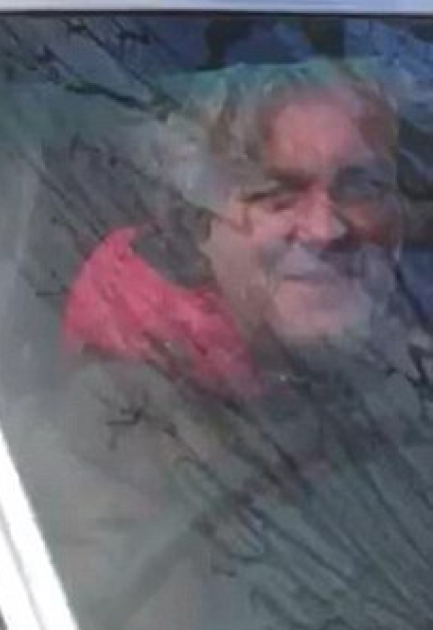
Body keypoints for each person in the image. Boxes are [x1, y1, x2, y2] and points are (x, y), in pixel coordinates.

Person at [29, 60, 433, 630]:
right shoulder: (117, 425)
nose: (326, 228)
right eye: (276, 195)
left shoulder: (396, 359)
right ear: (199, 226)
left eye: (361, 187)